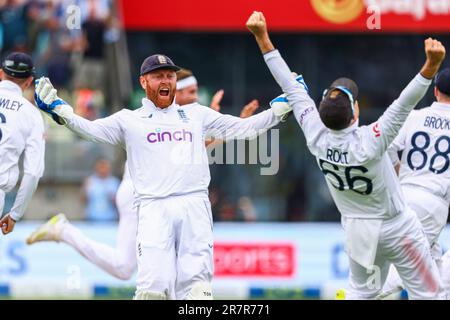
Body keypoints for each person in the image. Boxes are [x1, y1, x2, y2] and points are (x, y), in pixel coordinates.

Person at [31, 54, 286, 300]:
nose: (165, 81)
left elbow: (243, 128)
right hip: (153, 207)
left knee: (198, 290)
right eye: (158, 76)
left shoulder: (197, 114)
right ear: (144, 82)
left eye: (169, 76)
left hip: (194, 205)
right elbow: (90, 130)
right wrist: (60, 111)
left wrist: (280, 108)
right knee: (152, 290)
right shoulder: (129, 120)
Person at [246, 11, 446, 299]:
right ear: (355, 114)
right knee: (430, 294)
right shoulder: (372, 139)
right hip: (400, 229)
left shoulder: (316, 135)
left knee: (360, 293)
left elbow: (290, 87)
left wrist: (262, 38)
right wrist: (431, 65)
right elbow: (404, 103)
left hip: (357, 229)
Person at [378, 67, 450, 299]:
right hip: (434, 203)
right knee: (411, 271)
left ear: (436, 90)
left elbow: (387, 147)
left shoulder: (415, 116)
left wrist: (398, 174)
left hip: (404, 197)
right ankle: (355, 294)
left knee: (436, 275)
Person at [0, 52, 45, 235]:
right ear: (29, 81)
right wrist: (15, 214)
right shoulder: (32, 114)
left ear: (1, 73)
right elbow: (33, 172)